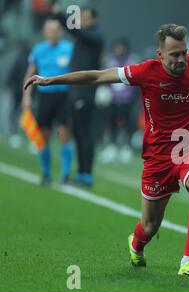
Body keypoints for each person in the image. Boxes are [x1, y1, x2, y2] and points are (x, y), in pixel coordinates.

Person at [24, 23, 189, 276]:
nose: (182, 59)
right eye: (174, 55)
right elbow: (98, 76)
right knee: (150, 225)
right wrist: (52, 79)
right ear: (160, 55)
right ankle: (137, 245)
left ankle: (187, 262)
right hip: (157, 155)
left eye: (184, 52)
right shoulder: (144, 71)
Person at [52, 4, 104, 187]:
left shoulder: (95, 36)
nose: (83, 20)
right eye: (82, 17)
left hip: (85, 91)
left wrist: (58, 14)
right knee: (79, 133)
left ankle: (86, 175)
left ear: (94, 19)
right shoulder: (85, 36)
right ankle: (82, 174)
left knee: (84, 133)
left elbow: (76, 31)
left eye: (86, 17)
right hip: (76, 91)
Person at [22, 18, 74, 185]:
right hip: (45, 96)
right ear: (45, 32)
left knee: (64, 134)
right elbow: (30, 72)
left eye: (55, 30)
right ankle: (46, 173)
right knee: (43, 136)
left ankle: (65, 175)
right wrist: (26, 96)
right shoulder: (38, 49)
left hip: (64, 96)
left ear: (60, 32)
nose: (52, 33)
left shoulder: (69, 48)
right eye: (49, 30)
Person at [98, 39, 139, 164]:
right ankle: (112, 147)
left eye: (121, 47)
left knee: (128, 123)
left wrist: (134, 95)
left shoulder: (133, 59)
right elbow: (104, 76)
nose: (119, 50)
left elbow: (136, 77)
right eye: (117, 47)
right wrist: (103, 90)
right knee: (111, 123)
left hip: (127, 98)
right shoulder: (109, 60)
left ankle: (126, 148)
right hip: (113, 98)